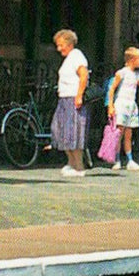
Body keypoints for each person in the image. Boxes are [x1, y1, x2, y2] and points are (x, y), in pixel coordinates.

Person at [50, 29, 90, 177]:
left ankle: (79, 166)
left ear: (69, 43)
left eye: (61, 45)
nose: (59, 49)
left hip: (73, 97)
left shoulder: (77, 56)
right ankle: (71, 162)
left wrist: (79, 95)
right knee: (60, 130)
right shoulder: (69, 58)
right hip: (64, 97)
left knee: (74, 132)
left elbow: (83, 75)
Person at [107, 46, 139, 170]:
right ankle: (117, 159)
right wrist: (111, 105)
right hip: (122, 104)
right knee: (119, 133)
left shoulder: (136, 74)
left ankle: (130, 159)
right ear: (132, 60)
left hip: (131, 104)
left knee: (128, 134)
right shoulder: (122, 73)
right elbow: (112, 89)